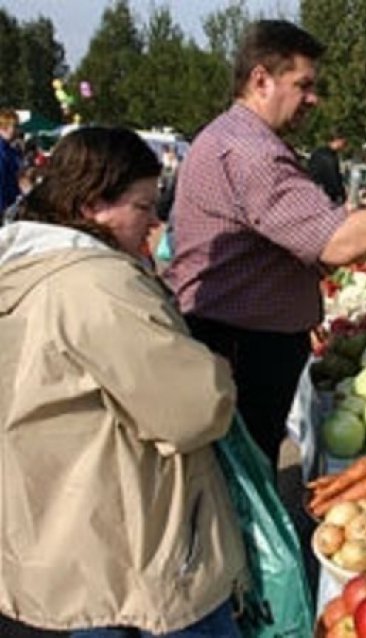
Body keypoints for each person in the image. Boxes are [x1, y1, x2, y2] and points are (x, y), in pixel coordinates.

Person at [167, 20, 366, 469]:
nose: (313, 98)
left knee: (233, 477)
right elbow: (337, 243)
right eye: (304, 85)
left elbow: (313, 231)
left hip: (235, 337)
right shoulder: (251, 152)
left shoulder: (232, 138)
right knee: (236, 480)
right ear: (261, 80)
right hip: (242, 347)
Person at [0, 126, 246, 636]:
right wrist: (215, 372)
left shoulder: (26, 268)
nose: (154, 221)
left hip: (52, 538)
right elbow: (193, 410)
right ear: (92, 205)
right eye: (142, 206)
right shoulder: (96, 284)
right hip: (122, 556)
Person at [308, 130, 348, 205]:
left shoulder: (317, 152)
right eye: (344, 143)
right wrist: (342, 195)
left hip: (312, 193)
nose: (344, 145)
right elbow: (333, 177)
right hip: (326, 196)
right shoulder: (330, 157)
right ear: (338, 140)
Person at [0, 108, 22, 214]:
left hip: (10, 203)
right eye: (14, 126)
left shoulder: (11, 150)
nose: (16, 130)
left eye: (16, 126)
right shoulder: (3, 150)